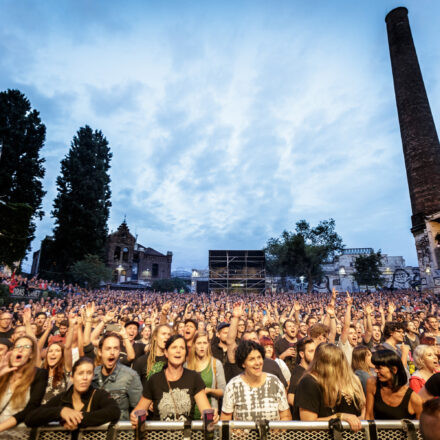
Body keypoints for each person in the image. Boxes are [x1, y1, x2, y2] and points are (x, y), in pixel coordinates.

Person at [130, 334, 214, 424]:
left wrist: (213, 416)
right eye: (174, 347)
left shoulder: (194, 378)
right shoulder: (155, 379)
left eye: (182, 348)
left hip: (185, 435)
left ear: (186, 354)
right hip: (160, 435)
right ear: (166, 352)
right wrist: (134, 417)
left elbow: (206, 411)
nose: (178, 351)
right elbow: (138, 411)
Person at [25, 357, 120, 429]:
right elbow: (30, 418)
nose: (85, 378)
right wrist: (60, 412)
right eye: (80, 373)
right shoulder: (62, 398)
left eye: (89, 373)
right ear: (72, 377)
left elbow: (114, 411)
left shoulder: (99, 394)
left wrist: (76, 419)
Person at [294, 343, 364, 431]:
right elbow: (309, 423)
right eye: (338, 364)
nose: (342, 368)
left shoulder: (342, 380)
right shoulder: (309, 382)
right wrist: (340, 416)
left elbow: (364, 406)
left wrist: (361, 419)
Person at [221, 340, 291, 421]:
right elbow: (225, 420)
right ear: (243, 363)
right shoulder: (233, 386)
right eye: (252, 359)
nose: (257, 363)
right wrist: (235, 432)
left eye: (259, 357)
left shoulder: (275, 382)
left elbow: (286, 416)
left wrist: (277, 431)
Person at [0, 335, 48, 433]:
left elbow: (31, 409)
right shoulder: (4, 374)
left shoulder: (39, 374)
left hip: (19, 434)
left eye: (26, 347)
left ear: (31, 354)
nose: (20, 350)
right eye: (17, 347)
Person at [93, 332, 142, 420]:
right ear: (100, 352)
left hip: (120, 432)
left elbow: (139, 409)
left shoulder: (130, 376)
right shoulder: (92, 374)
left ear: (119, 351)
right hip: (95, 431)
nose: (112, 352)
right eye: (108, 349)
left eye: (116, 348)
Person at [365, 349, 422, 419]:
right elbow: (368, 415)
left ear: (394, 369)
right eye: (376, 367)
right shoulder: (372, 383)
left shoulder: (414, 399)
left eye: (379, 368)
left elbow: (421, 427)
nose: (376, 370)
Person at [186, 331, 225, 416]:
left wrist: (209, 390)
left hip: (209, 413)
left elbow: (223, 390)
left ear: (208, 345)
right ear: (194, 345)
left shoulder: (216, 364)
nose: (202, 346)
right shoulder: (187, 365)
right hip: (189, 414)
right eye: (199, 343)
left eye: (204, 343)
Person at [287, 338, 316, 407]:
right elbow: (290, 398)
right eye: (311, 351)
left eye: (315, 351)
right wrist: (306, 410)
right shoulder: (298, 373)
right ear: (302, 354)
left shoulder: (310, 370)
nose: (315, 354)